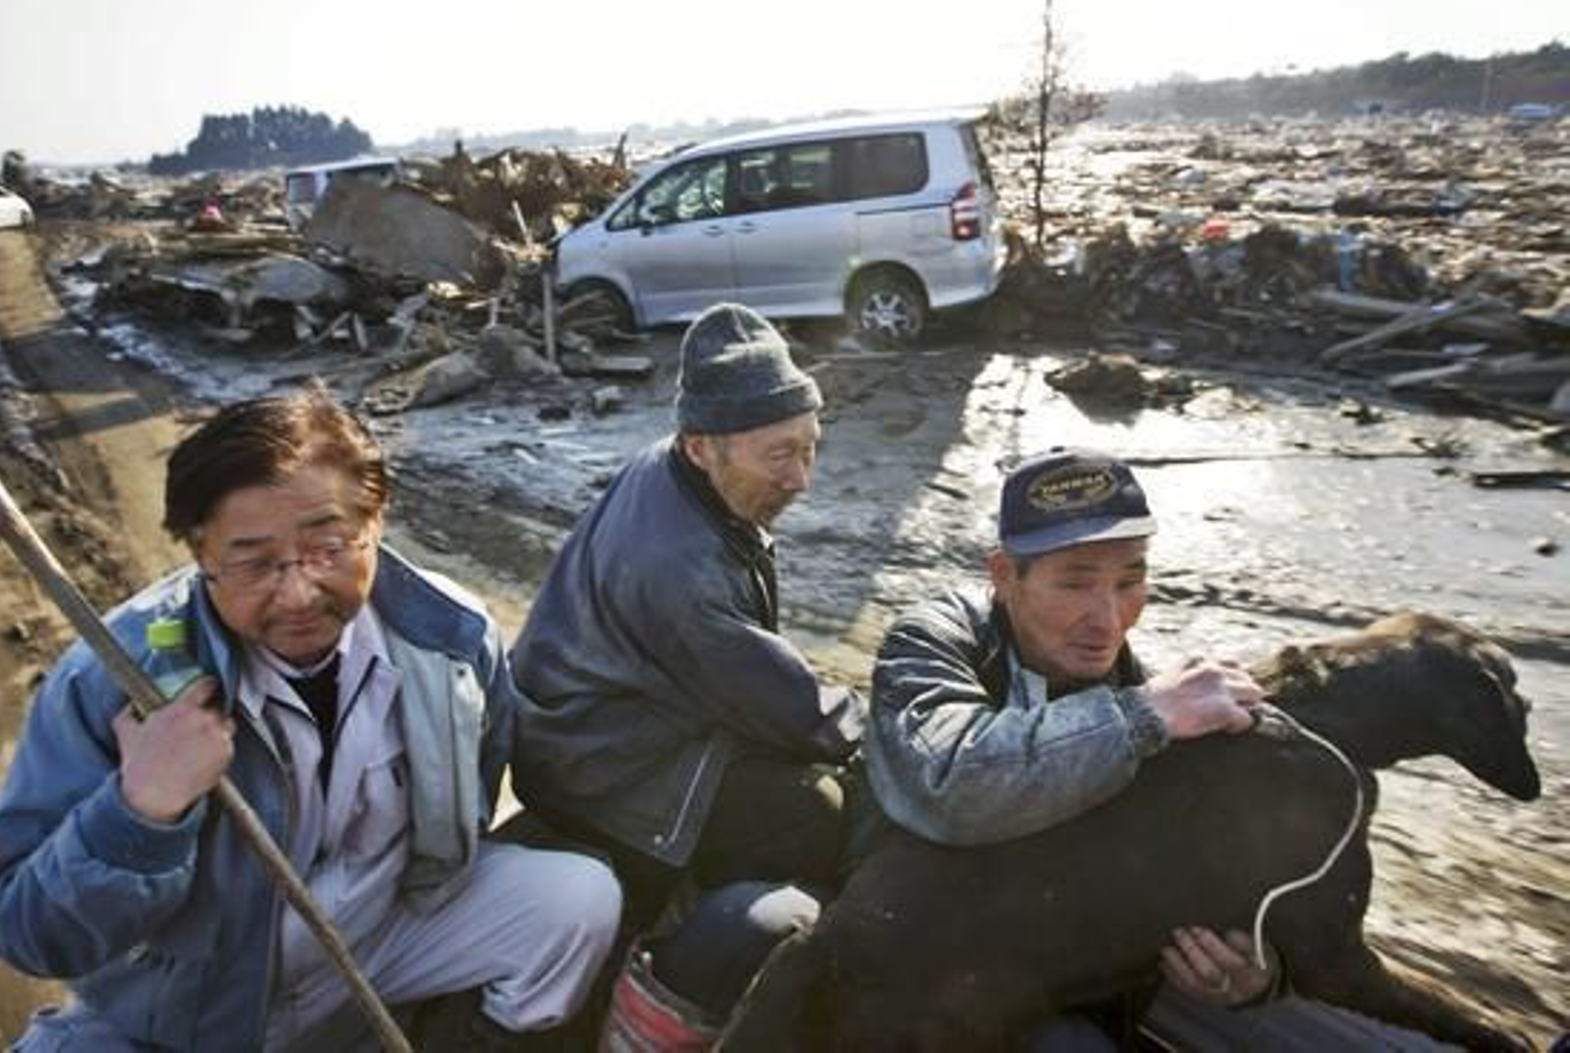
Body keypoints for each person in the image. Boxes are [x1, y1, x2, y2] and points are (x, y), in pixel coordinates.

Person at [0, 385, 621, 1051]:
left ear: (377, 519)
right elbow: (21, 930)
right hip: (189, 1000)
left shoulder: (451, 640)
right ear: (200, 554)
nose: (299, 591)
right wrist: (142, 811)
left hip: (371, 947)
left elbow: (469, 806)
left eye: (330, 546)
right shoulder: (118, 680)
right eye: (254, 562)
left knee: (575, 902)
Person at [508, 303, 864, 1026]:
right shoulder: (682, 571)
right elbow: (795, 712)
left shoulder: (671, 467)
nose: (802, 479)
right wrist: (878, 734)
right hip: (599, 765)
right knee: (819, 811)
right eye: (779, 456)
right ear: (704, 448)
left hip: (597, 719)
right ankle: (686, 961)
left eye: (809, 447)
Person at [865, 446, 1281, 1043]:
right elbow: (948, 784)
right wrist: (1142, 716)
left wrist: (1254, 975)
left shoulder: (1147, 695)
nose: (1108, 621)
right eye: (1076, 583)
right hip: (903, 951)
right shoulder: (932, 641)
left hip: (1037, 970)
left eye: (1130, 582)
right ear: (1004, 576)